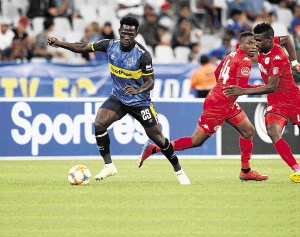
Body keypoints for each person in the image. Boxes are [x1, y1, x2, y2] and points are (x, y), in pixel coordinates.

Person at [47, 16, 190, 185]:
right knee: (99, 123)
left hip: (140, 102)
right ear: (120, 31)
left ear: (136, 34)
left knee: (158, 137)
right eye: (124, 32)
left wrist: (137, 90)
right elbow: (83, 47)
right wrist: (60, 44)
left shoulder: (143, 55)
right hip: (119, 98)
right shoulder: (110, 45)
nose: (127, 36)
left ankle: (179, 171)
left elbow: (150, 82)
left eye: (131, 33)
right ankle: (109, 166)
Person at [137, 31, 269, 182]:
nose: (253, 47)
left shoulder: (232, 54)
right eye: (249, 43)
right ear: (241, 44)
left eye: (255, 43)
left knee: (248, 130)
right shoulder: (245, 60)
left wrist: (223, 87)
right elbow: (242, 87)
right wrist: (266, 87)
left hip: (225, 101)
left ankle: (245, 171)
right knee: (196, 141)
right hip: (219, 105)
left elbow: (218, 72)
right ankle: (154, 148)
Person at [224, 22, 300, 183]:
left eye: (258, 40)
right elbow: (287, 39)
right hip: (276, 103)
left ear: (270, 40)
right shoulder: (269, 42)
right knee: (273, 131)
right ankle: (297, 169)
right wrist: (295, 63)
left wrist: (243, 91)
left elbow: (272, 87)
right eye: (255, 40)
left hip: (293, 100)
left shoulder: (277, 57)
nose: (256, 44)